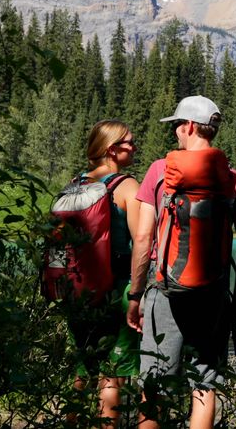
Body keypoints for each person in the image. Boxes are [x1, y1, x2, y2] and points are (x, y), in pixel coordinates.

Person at [126, 95, 236, 429]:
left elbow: (143, 239)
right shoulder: (233, 179)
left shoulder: (159, 171)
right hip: (213, 294)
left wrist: (135, 295)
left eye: (176, 127)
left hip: (164, 291)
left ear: (187, 126)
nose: (175, 134)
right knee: (204, 383)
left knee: (154, 388)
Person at [61, 120, 141, 427]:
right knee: (112, 376)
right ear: (112, 150)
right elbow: (143, 243)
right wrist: (138, 293)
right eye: (129, 143)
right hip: (114, 289)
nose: (135, 147)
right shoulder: (126, 187)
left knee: (81, 372)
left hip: (77, 290)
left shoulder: (74, 183)